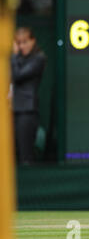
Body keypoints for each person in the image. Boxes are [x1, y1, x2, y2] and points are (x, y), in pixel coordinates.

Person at [9, 27, 46, 164]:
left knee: (26, 154)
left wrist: (13, 55)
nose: (22, 46)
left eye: (25, 42)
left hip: (27, 112)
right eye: (19, 43)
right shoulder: (17, 59)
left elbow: (17, 75)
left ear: (33, 41)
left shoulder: (38, 59)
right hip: (12, 110)